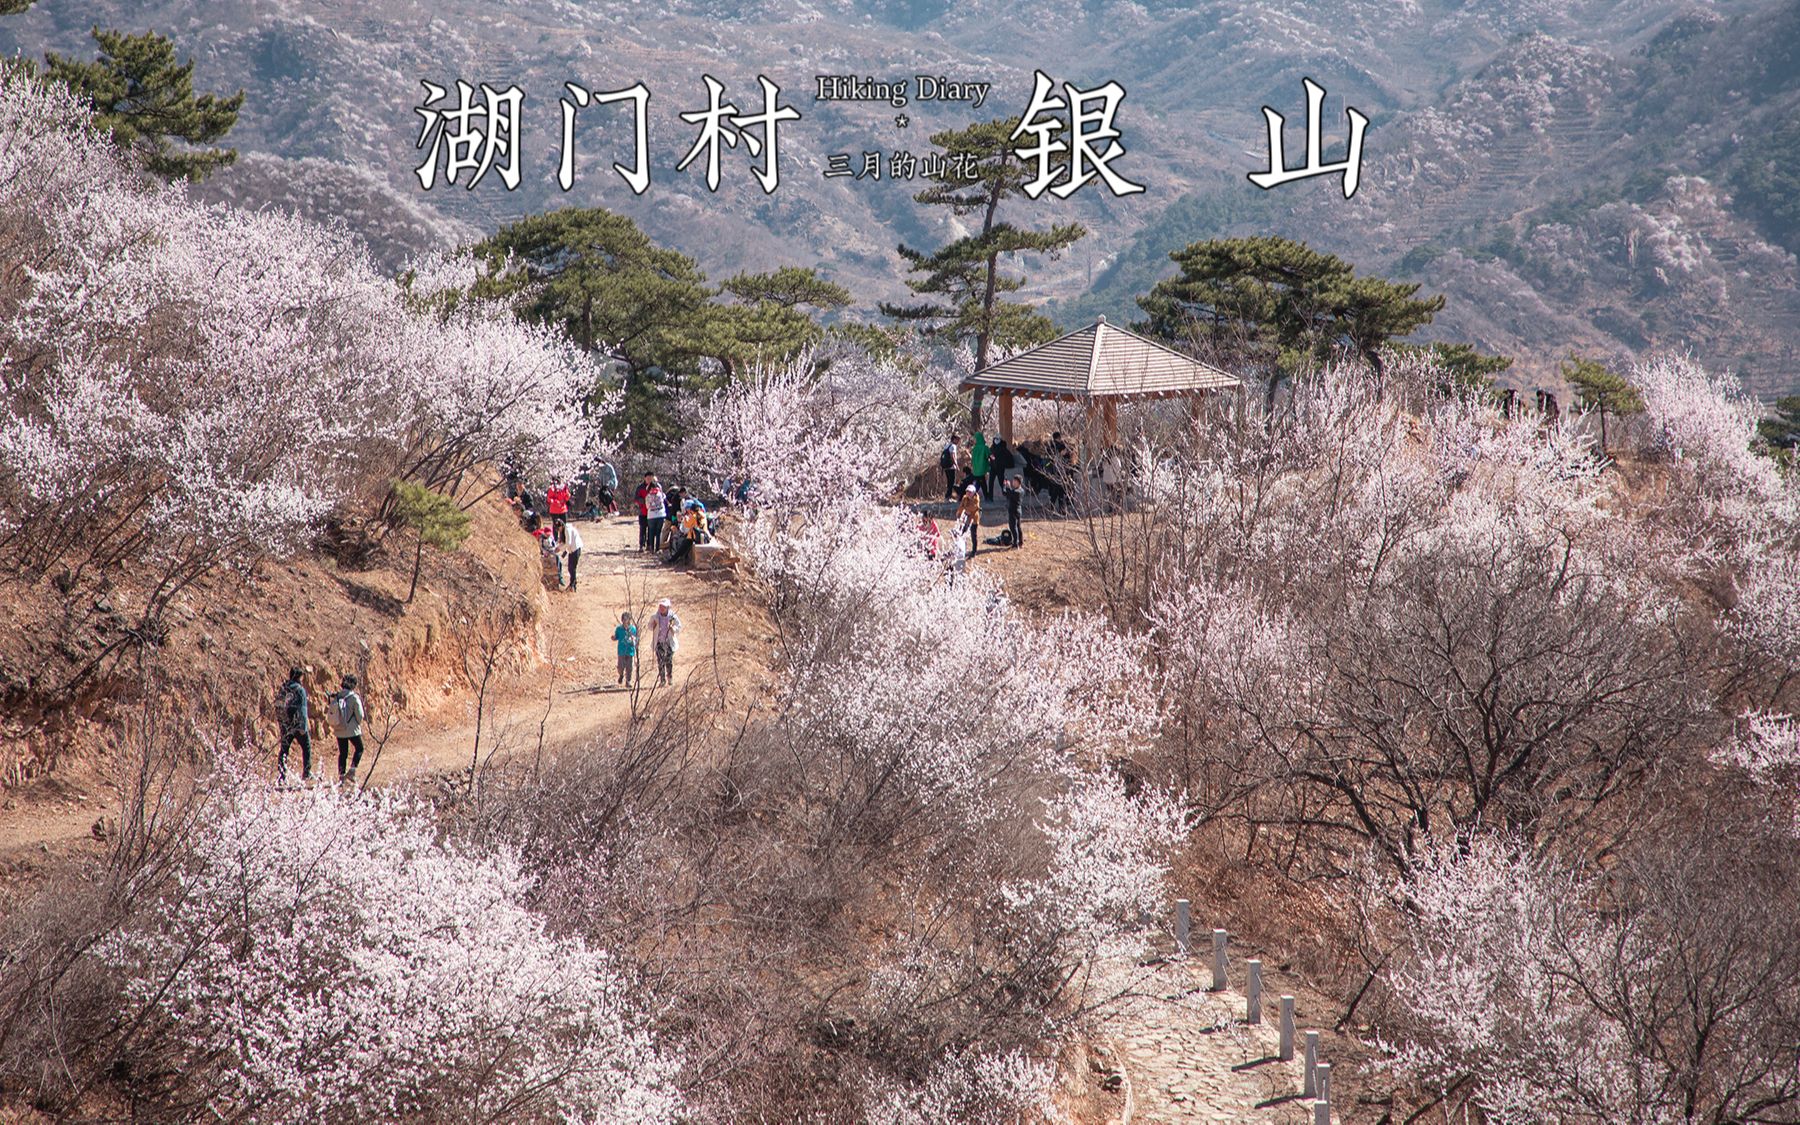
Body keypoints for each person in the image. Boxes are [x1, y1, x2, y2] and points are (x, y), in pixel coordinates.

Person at [327, 674, 366, 784]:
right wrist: (357, 723)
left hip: (339, 729)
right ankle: (352, 771)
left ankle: (341, 776)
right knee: (360, 748)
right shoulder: (354, 697)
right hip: (352, 729)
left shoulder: (337, 696)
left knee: (343, 753)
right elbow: (360, 715)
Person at [276, 668, 311, 783]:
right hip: (297, 724)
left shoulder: (284, 689)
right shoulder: (300, 690)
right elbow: (302, 709)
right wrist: (303, 727)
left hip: (286, 725)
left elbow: (278, 706)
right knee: (306, 747)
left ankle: (282, 776)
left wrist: (282, 723)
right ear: (298, 677)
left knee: (284, 750)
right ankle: (306, 772)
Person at [650, 598, 682, 685]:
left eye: (663, 606)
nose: (661, 608)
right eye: (660, 606)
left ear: (667, 607)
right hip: (659, 642)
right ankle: (662, 679)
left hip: (669, 643)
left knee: (668, 660)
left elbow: (679, 627)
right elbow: (649, 627)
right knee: (660, 661)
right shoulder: (655, 617)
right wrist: (653, 625)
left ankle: (670, 676)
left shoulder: (672, 617)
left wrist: (672, 628)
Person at [955, 483, 982, 556]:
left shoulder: (976, 499)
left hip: (973, 520)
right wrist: (959, 513)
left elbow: (973, 507)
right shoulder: (964, 498)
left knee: (973, 535)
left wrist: (965, 509)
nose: (968, 493)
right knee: (962, 532)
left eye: (970, 492)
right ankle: (960, 548)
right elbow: (961, 506)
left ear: (973, 493)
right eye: (967, 492)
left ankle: (974, 551)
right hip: (965, 518)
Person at [613, 611, 638, 686]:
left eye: (626, 619)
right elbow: (616, 636)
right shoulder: (619, 629)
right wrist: (614, 638)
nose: (625, 621)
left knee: (629, 667)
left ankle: (628, 681)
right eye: (623, 619)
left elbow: (636, 638)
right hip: (621, 651)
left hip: (630, 651)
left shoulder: (633, 629)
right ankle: (621, 675)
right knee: (620, 666)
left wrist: (634, 641)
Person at [643, 477, 668, 553]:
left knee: (651, 532)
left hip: (651, 516)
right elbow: (664, 498)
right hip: (661, 514)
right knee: (658, 532)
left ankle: (651, 548)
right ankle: (657, 548)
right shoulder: (660, 495)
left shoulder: (648, 496)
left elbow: (647, 506)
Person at [560, 519, 584, 590]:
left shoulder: (567, 530)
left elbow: (568, 543)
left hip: (575, 549)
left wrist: (560, 548)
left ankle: (573, 585)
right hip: (571, 550)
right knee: (570, 568)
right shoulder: (564, 530)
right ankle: (573, 583)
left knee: (572, 568)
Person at [1002, 472, 1024, 549]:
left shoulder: (1018, 492)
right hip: (1017, 511)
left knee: (1013, 527)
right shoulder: (1018, 490)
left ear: (1019, 482)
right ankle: (1020, 542)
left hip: (1014, 512)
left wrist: (1008, 487)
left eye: (1014, 481)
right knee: (1018, 527)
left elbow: (1010, 493)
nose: (1013, 483)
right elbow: (1006, 493)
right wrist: (1004, 485)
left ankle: (1015, 543)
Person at [635, 473, 654, 550]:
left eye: (651, 478)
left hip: (653, 512)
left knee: (651, 529)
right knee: (643, 528)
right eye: (648, 478)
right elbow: (636, 498)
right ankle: (641, 545)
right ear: (644, 478)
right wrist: (644, 501)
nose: (649, 479)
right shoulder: (640, 488)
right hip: (642, 511)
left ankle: (650, 545)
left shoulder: (655, 487)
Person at [971, 431, 991, 500]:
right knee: (982, 484)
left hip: (975, 469)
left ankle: (972, 495)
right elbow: (989, 456)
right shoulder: (985, 448)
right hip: (982, 468)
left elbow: (972, 459)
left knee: (978, 483)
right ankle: (985, 496)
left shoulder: (974, 448)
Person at [939, 436, 958, 500]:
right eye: (957, 439)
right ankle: (948, 496)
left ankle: (948, 495)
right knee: (952, 482)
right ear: (954, 439)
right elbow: (952, 456)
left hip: (946, 466)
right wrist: (956, 465)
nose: (958, 441)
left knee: (949, 481)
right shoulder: (953, 446)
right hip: (951, 466)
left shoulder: (947, 446)